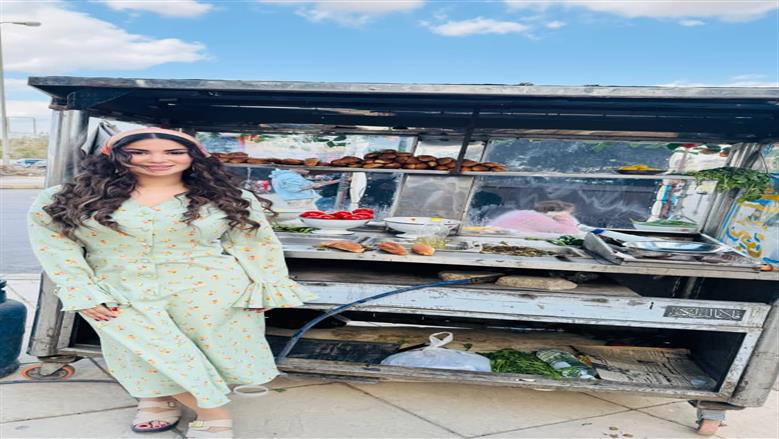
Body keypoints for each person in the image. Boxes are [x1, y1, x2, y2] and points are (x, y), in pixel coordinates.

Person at [27, 127, 316, 438]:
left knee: (202, 351)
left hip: (207, 290)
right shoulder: (70, 197)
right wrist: (80, 288)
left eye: (174, 152)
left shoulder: (226, 197)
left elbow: (256, 242)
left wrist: (267, 285)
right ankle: (212, 413)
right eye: (139, 152)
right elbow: (55, 245)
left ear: (194, 156)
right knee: (141, 352)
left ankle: (158, 399)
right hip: (119, 290)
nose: (157, 159)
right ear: (115, 155)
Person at [488, 200, 580, 234]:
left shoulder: (525, 213)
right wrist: (563, 216)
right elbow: (571, 231)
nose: (570, 217)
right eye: (568, 214)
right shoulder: (538, 218)